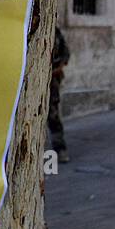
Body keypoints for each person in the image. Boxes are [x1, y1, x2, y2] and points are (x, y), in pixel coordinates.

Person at [49, 26, 70, 163]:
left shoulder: (55, 32)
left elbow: (66, 54)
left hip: (52, 82)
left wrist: (58, 68)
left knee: (53, 116)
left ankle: (60, 149)